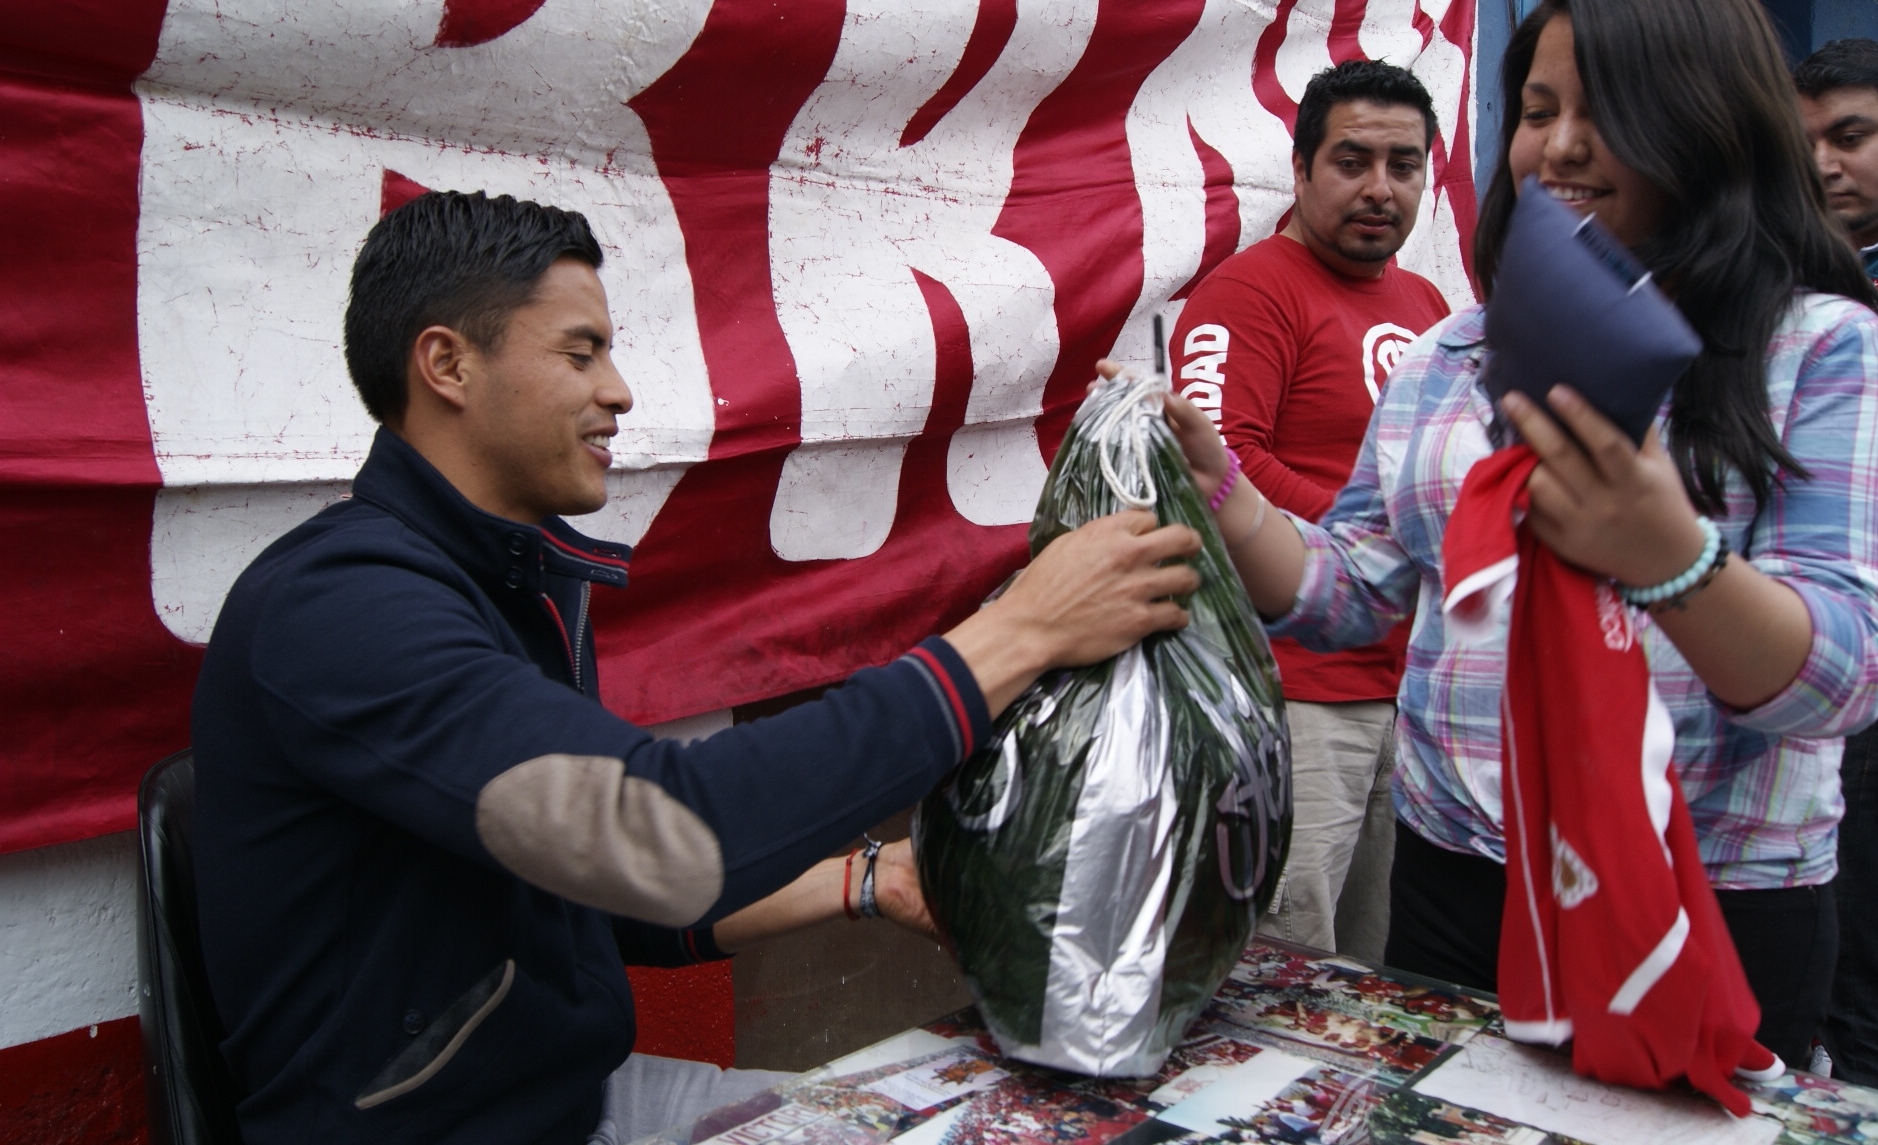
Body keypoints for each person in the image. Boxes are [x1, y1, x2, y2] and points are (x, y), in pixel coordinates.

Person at [192, 191, 1204, 1144]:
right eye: (581, 352)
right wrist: (1020, 631)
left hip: (581, 1096)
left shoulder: (508, 583)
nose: (618, 391)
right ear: (447, 365)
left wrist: (870, 877)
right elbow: (652, 833)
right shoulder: (340, 604)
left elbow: (602, 895)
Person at [1153, 0, 1878, 1068]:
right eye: (1538, 109)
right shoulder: (1452, 354)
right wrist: (1220, 490)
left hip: (1702, 893)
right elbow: (1349, 588)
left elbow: (1844, 676)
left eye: (1605, 109)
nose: (1556, 145)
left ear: (1709, 120)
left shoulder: (1823, 350)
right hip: (1456, 875)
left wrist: (1669, 557)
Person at [1171, 59, 1449, 959]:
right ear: (1299, 170)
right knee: (1284, 961)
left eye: (1403, 166)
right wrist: (1390, 539)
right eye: (1352, 161)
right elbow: (1221, 467)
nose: (1379, 188)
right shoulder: (1248, 292)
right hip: (1295, 695)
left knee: (1380, 968)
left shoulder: (1431, 306)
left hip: (1412, 695)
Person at [1795, 38, 1878, 1097]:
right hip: (1794, 654)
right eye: (1807, 146)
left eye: (1852, 137)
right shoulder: (1794, 278)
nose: (1827, 167)